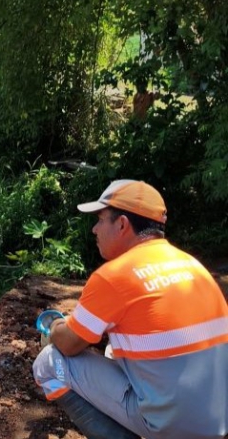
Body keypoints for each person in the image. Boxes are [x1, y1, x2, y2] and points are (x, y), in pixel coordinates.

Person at [33, 179, 228, 439]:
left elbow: (68, 344)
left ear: (122, 224)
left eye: (101, 220)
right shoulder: (194, 266)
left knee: (48, 363)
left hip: (171, 428)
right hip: (217, 420)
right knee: (114, 350)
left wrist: (56, 326)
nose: (94, 229)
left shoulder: (113, 277)